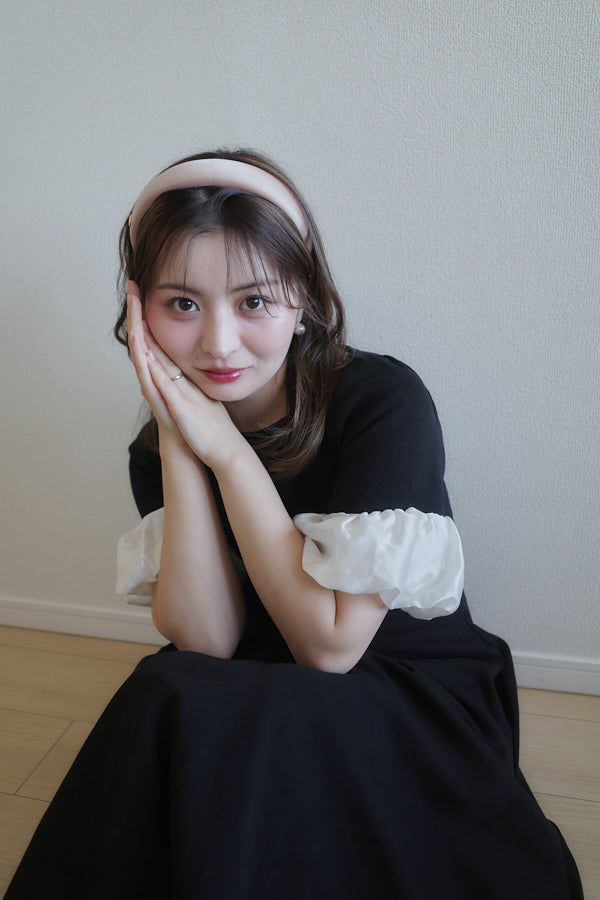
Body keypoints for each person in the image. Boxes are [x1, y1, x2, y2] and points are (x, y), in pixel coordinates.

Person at [6, 150, 583, 899]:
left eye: (253, 301)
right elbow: (208, 639)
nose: (218, 343)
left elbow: (331, 648)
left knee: (242, 712)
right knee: (169, 686)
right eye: (181, 304)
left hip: (399, 683)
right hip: (260, 669)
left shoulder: (381, 400)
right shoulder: (157, 449)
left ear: (304, 297)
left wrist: (227, 453)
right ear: (139, 311)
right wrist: (181, 441)